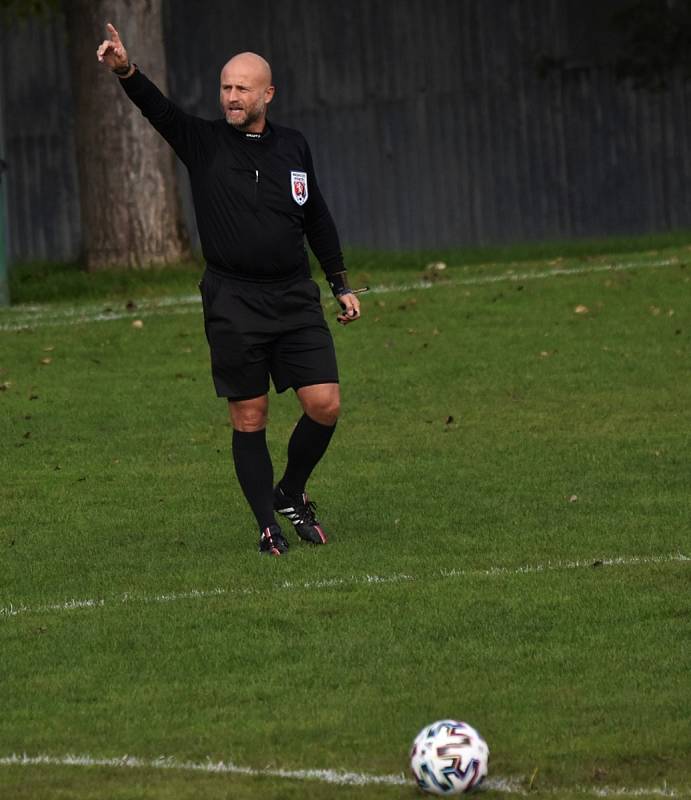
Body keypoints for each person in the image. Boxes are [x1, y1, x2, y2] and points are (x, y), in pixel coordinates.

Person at [97, 23, 361, 556]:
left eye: (242, 88)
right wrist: (126, 69)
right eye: (225, 87)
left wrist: (339, 283)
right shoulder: (204, 142)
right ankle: (268, 526)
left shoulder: (293, 146)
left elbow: (316, 218)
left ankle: (290, 490)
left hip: (293, 296)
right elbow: (159, 110)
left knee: (325, 404)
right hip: (233, 301)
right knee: (250, 416)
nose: (231, 97)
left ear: (268, 94)